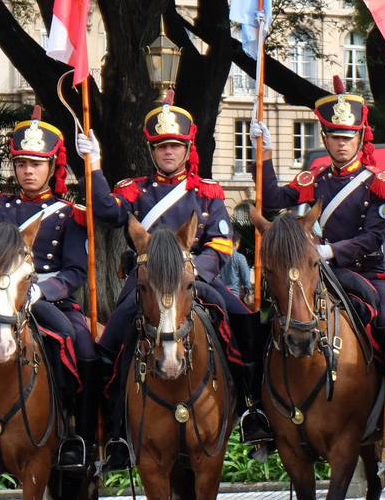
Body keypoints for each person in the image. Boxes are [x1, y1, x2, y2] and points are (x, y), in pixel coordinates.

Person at [76, 91, 267, 467]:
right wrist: (93, 164)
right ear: (151, 150)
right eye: (161, 146)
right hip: (146, 283)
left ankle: (252, 409)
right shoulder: (135, 191)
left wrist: (194, 272)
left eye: (175, 146)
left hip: (192, 279)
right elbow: (104, 210)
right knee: (111, 339)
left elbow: (221, 243)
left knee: (243, 319)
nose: (168, 152)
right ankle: (115, 431)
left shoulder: (207, 192)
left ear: (187, 148)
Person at [0, 107, 93, 469]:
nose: (28, 171)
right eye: (21, 163)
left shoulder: (69, 213)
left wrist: (42, 292)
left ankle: (76, 433)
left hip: (47, 300)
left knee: (80, 344)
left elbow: (76, 272)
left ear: (52, 167)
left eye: (36, 163)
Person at [250, 76, 385, 363]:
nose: (342, 144)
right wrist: (264, 153)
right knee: (276, 313)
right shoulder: (315, 180)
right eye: (335, 136)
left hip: (364, 271)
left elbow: (373, 239)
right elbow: (272, 202)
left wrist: (329, 251)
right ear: (325, 138)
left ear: (360, 137)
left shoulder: (377, 183)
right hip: (317, 272)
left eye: (348, 137)